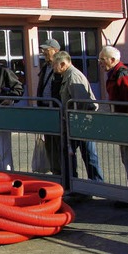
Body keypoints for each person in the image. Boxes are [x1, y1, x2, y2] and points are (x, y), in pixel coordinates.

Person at [99, 46, 128, 207]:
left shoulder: (123, 75)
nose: (100, 62)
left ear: (113, 60)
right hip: (124, 124)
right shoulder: (115, 74)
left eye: (102, 59)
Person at [53, 51, 104, 184]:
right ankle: (75, 183)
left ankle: (96, 184)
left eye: (55, 65)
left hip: (80, 123)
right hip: (75, 122)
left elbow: (80, 102)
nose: (53, 68)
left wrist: (75, 122)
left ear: (63, 64)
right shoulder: (67, 75)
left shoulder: (73, 76)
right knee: (72, 154)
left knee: (88, 154)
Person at [34, 39, 63, 175]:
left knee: (59, 146)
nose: (44, 52)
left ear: (56, 51)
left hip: (56, 111)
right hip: (46, 110)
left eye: (47, 49)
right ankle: (55, 173)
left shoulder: (61, 67)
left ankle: (63, 175)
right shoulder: (45, 67)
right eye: (43, 50)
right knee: (50, 145)